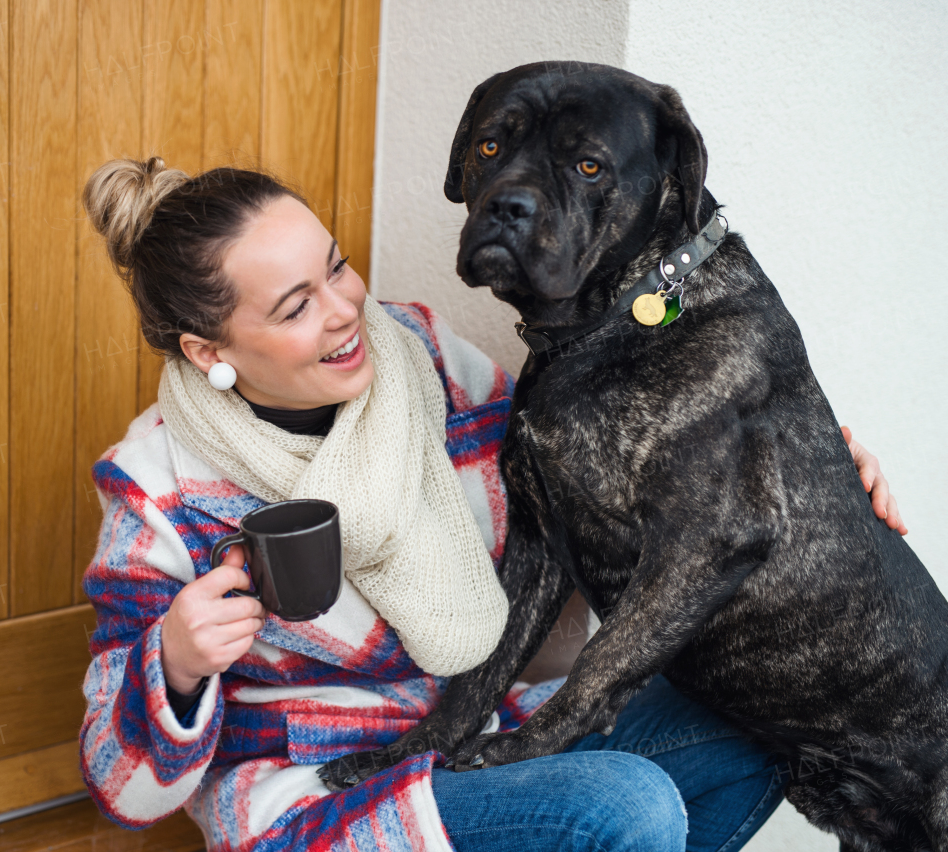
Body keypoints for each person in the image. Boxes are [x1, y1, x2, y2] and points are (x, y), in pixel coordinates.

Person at [76, 157, 907, 852]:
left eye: (335, 266)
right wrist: (178, 664)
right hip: (317, 796)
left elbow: (615, 475)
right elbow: (122, 788)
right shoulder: (161, 490)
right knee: (623, 808)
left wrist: (796, 465)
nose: (344, 310)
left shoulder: (428, 359)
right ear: (207, 349)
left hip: (477, 732)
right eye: (296, 307)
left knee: (765, 716)